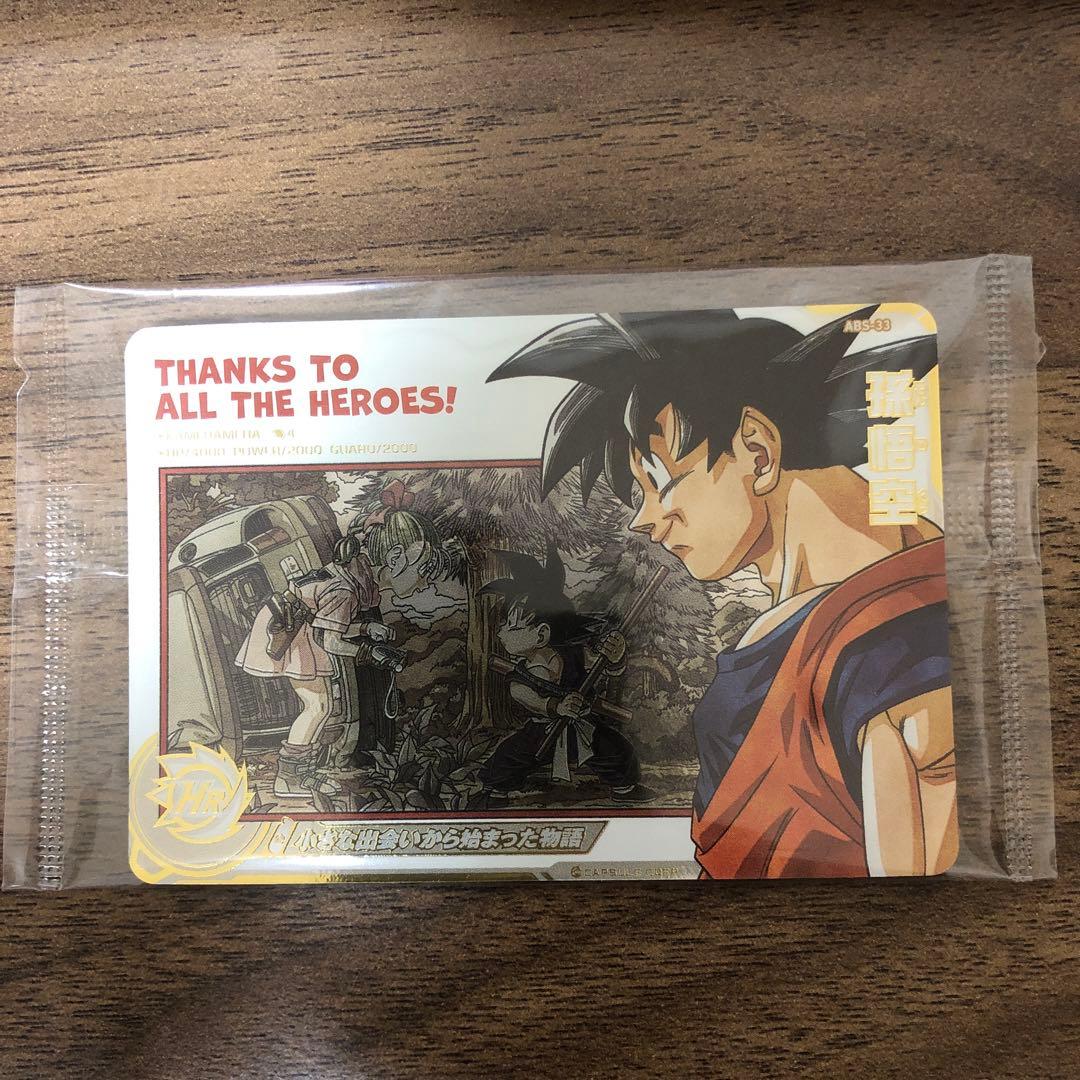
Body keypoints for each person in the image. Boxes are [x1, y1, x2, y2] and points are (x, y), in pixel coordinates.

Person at [488, 306, 957, 878]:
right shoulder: (842, 618)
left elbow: (908, 893)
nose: (645, 519)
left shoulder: (889, 643)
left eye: (660, 483)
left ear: (758, 451)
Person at [236, 480, 462, 799]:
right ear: (392, 558)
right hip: (289, 632)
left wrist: (366, 629)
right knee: (317, 706)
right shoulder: (344, 591)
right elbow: (330, 641)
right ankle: (288, 779)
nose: (422, 581)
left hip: (298, 627)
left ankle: (301, 772)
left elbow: (330, 626)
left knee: (320, 706)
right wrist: (371, 653)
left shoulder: (347, 575)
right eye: (420, 569)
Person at [476, 541, 654, 805]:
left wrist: (615, 657)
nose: (501, 632)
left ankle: (625, 789)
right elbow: (521, 693)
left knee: (617, 751)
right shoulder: (523, 669)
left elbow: (605, 668)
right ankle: (494, 793)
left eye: (511, 627)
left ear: (541, 634)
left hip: (584, 725)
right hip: (542, 728)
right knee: (509, 756)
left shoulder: (576, 654)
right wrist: (554, 706)